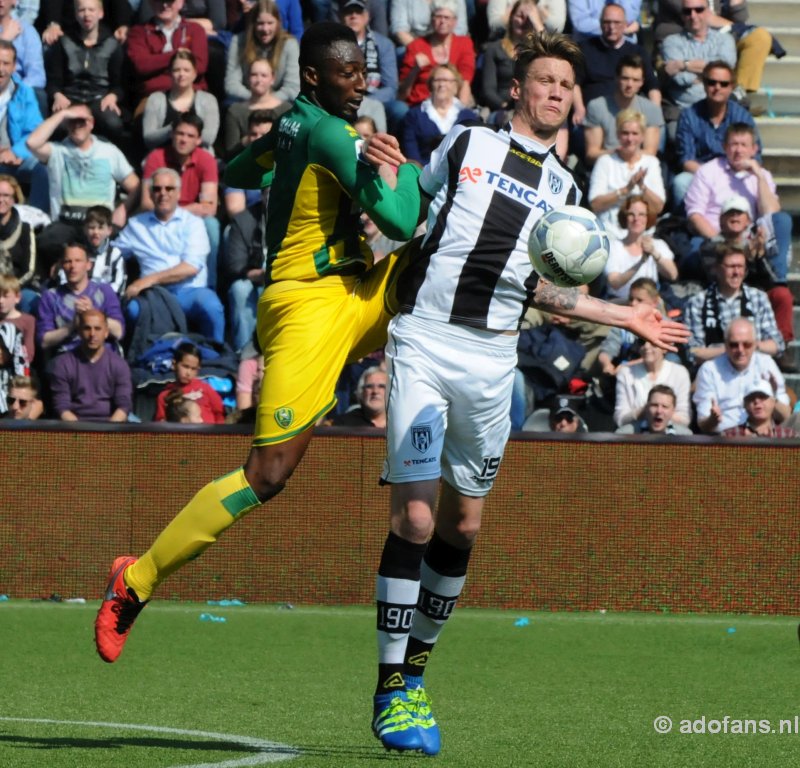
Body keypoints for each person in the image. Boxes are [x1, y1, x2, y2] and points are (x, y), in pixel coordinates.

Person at [369, 31, 688, 756]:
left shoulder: (566, 194)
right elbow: (409, 216)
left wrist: (623, 313)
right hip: (423, 340)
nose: (552, 92)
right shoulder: (465, 144)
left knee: (465, 527)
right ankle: (390, 688)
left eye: (563, 85)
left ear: (572, 99)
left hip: (491, 361)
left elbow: (542, 286)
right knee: (415, 519)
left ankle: (416, 673)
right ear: (517, 88)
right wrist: (380, 187)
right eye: (541, 80)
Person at [93, 21, 423, 676]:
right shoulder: (331, 132)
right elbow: (402, 218)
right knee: (266, 476)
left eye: (363, 71)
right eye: (348, 73)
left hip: (349, 292)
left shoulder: (301, 123)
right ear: (314, 77)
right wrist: (404, 168)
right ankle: (136, 579)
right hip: (308, 310)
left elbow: (243, 169)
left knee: (446, 260)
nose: (361, 82)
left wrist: (281, 154)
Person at [26, 102, 140, 273]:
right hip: (66, 224)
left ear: (92, 123)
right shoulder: (57, 151)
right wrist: (63, 115)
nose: (77, 125)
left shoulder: (109, 151)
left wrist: (123, 208)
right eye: (72, 121)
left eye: (82, 121)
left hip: (99, 225)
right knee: (45, 242)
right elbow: (31, 143)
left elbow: (136, 186)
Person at [114, 168, 225, 344]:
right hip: (153, 296)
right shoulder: (136, 225)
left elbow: (190, 267)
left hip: (190, 291)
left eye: (169, 188)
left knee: (211, 306)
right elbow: (113, 253)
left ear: (178, 193)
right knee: (133, 310)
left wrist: (147, 281)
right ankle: (141, 360)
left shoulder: (193, 223)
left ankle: (217, 358)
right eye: (157, 189)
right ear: (150, 194)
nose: (163, 193)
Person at [684, 123, 792, 288]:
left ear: (754, 149)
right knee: (694, 248)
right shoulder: (708, 171)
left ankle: (777, 283)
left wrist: (759, 176)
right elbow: (695, 214)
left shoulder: (762, 175)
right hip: (714, 238)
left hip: (751, 241)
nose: (738, 150)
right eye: (734, 144)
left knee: (782, 220)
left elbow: (770, 214)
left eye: (744, 145)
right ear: (724, 147)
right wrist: (721, 242)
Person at [141, 113, 220, 289]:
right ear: (171, 135)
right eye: (180, 134)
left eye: (190, 136)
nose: (184, 140)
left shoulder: (206, 160)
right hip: (159, 218)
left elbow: (209, 207)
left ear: (199, 140)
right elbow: (146, 203)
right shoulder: (156, 157)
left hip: (192, 221)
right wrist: (186, 209)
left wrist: (175, 211)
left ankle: (210, 286)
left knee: (212, 226)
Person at [671, 60, 757, 208]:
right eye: (712, 82)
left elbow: (755, 155)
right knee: (681, 182)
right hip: (700, 173)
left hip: (735, 173)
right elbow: (686, 160)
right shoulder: (689, 116)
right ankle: (687, 226)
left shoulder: (742, 116)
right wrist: (713, 176)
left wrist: (728, 176)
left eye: (723, 84)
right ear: (704, 85)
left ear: (731, 87)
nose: (717, 87)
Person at [684, 245, 783, 366]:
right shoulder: (697, 302)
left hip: (753, 370)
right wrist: (732, 350)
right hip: (714, 372)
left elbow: (777, 345)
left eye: (740, 267)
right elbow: (693, 352)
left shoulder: (758, 298)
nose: (736, 272)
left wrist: (749, 346)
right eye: (731, 267)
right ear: (717, 269)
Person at [45, 0, 126, 141]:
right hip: (70, 97)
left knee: (113, 125)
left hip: (98, 99)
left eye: (91, 10)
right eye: (81, 10)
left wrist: (113, 95)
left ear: (101, 13)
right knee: (56, 125)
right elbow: (53, 79)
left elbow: (120, 83)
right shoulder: (64, 42)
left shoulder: (112, 44)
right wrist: (57, 94)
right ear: (75, 14)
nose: (86, 15)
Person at [693, 316, 789, 434]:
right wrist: (713, 419)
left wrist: (774, 398)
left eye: (747, 344)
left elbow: (786, 416)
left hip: (763, 436)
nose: (740, 350)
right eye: (734, 345)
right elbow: (703, 425)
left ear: (755, 344)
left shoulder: (766, 364)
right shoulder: (709, 370)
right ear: (726, 345)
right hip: (724, 438)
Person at [572, 3, 660, 128]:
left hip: (629, 117)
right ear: (601, 23)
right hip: (592, 116)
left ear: (625, 24)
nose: (612, 27)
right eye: (607, 22)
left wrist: (654, 113)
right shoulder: (585, 49)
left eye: (617, 22)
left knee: (657, 128)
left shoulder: (637, 52)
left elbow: (652, 86)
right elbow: (574, 83)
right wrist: (579, 108)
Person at [659, 0, 736, 133]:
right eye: (687, 11)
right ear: (682, 15)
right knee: (674, 135)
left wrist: (684, 64)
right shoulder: (671, 42)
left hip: (720, 109)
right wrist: (712, 74)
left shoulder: (725, 40)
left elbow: (725, 68)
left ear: (708, 12)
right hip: (685, 109)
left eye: (698, 10)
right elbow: (680, 79)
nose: (693, 15)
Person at [588, 109, 665, 239]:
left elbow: (658, 207)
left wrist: (642, 187)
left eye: (635, 133)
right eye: (625, 133)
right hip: (609, 230)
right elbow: (595, 204)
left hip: (642, 232)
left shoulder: (651, 163)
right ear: (618, 135)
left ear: (642, 136)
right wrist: (625, 190)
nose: (630, 139)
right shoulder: (605, 161)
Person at [36, 241, 125, 355]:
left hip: (102, 356)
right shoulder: (51, 296)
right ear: (62, 265)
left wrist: (93, 312)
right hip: (67, 356)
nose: (73, 266)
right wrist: (72, 325)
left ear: (88, 265)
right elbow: (44, 341)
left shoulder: (104, 291)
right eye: (68, 261)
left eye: (78, 261)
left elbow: (119, 332)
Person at [49, 308, 132, 421]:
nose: (92, 334)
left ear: (106, 332)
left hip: (110, 427)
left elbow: (123, 406)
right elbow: (61, 407)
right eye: (87, 328)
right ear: (79, 331)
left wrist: (108, 433)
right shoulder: (63, 364)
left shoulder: (119, 365)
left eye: (97, 329)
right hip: (74, 428)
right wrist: (83, 435)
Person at [583, 55, 663, 165]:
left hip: (638, 167)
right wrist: (619, 154)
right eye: (625, 78)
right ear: (617, 78)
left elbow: (650, 153)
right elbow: (592, 154)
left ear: (642, 82)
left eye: (635, 80)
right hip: (606, 166)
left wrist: (625, 156)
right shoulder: (597, 106)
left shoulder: (651, 109)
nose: (630, 84)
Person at [125, 0, 209, 105]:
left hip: (191, 93)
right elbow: (141, 65)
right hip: (154, 95)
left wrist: (157, 64)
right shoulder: (138, 32)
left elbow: (200, 66)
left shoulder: (195, 30)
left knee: (207, 106)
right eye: (159, 1)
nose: (164, 5)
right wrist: (176, 55)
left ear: (181, 2)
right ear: (151, 3)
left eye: (170, 2)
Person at [397, 0, 475, 109]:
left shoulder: (464, 44)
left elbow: (465, 82)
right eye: (438, 17)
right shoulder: (416, 46)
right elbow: (402, 94)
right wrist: (415, 70)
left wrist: (460, 114)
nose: (442, 21)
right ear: (432, 19)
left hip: (451, 106)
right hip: (419, 106)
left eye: (447, 17)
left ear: (455, 22)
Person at [340, 0, 404, 131]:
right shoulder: (334, 46)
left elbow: (391, 87)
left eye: (358, 12)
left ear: (366, 17)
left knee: (399, 109)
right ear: (342, 18)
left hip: (375, 97)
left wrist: (367, 101)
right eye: (349, 13)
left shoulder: (384, 44)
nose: (353, 16)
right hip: (343, 98)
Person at [0, 40, 47, 213]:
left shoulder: (24, 92)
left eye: (6, 63)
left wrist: (16, 151)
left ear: (13, 67)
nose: (1, 69)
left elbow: (35, 130)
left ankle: (35, 217)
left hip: (16, 157)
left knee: (43, 167)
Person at [142, 50, 220, 152]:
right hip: (163, 159)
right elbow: (148, 138)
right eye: (176, 70)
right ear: (170, 73)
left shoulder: (208, 100)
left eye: (186, 70)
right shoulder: (155, 99)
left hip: (198, 158)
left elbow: (209, 138)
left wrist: (185, 128)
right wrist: (173, 127)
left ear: (195, 74)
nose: (181, 74)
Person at [603, 195, 677, 301]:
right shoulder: (614, 246)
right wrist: (640, 263)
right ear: (625, 217)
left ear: (648, 218)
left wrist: (654, 253)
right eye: (631, 214)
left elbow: (673, 275)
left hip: (648, 302)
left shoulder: (658, 244)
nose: (636, 219)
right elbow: (614, 282)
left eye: (642, 214)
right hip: (619, 302)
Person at [401, 64, 478, 166]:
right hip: (423, 173)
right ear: (430, 84)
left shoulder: (469, 117)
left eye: (446, 80)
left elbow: (474, 152)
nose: (442, 84)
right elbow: (412, 154)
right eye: (437, 80)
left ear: (456, 85)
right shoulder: (414, 116)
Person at [225, 0, 300, 103]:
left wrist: (268, 101)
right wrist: (255, 99)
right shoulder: (238, 41)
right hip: (247, 100)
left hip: (279, 102)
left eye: (270, 23)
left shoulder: (290, 44)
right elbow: (231, 84)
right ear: (253, 24)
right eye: (260, 23)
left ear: (278, 23)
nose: (265, 29)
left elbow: (293, 88)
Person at [222, 58, 290, 159]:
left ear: (272, 79)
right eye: (254, 75)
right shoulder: (235, 111)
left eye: (264, 75)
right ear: (248, 78)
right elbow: (230, 152)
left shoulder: (286, 109)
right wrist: (248, 140)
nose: (259, 80)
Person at [614, 340, 691, 427]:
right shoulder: (626, 373)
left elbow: (685, 419)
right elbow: (620, 419)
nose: (646, 346)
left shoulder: (680, 373)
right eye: (642, 342)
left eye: (652, 342)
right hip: (635, 435)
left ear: (665, 348)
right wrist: (643, 411)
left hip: (671, 435)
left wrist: (660, 412)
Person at [153, 340, 225, 423]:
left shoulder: (206, 389)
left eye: (193, 369)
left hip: (208, 434)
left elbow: (219, 413)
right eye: (185, 366)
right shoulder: (165, 396)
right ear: (174, 364)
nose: (188, 373)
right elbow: (162, 423)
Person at [722, 380, 797, 438]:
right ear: (744, 404)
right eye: (751, 397)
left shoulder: (790, 436)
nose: (757, 401)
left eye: (762, 396)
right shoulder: (728, 436)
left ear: (774, 402)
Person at [615, 383, 693, 434]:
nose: (659, 411)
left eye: (665, 406)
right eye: (654, 405)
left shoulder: (685, 437)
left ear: (673, 411)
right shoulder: (625, 435)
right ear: (646, 408)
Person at [0, 272, 33, 361]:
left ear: (17, 297)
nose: (1, 301)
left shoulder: (28, 320)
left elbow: (29, 353)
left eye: (5, 296)